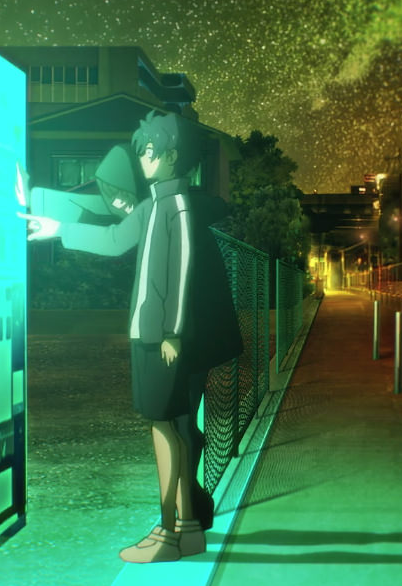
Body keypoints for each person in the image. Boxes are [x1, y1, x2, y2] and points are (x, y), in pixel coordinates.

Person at [20, 111, 240, 563]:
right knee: (176, 427)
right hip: (161, 334)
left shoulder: (174, 205)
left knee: (166, 429)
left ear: (172, 155)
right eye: (140, 150)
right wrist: (58, 228)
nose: (142, 159)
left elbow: (180, 272)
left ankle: (167, 532)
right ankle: (189, 529)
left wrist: (173, 332)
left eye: (150, 151)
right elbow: (116, 238)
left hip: (162, 337)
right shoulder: (157, 204)